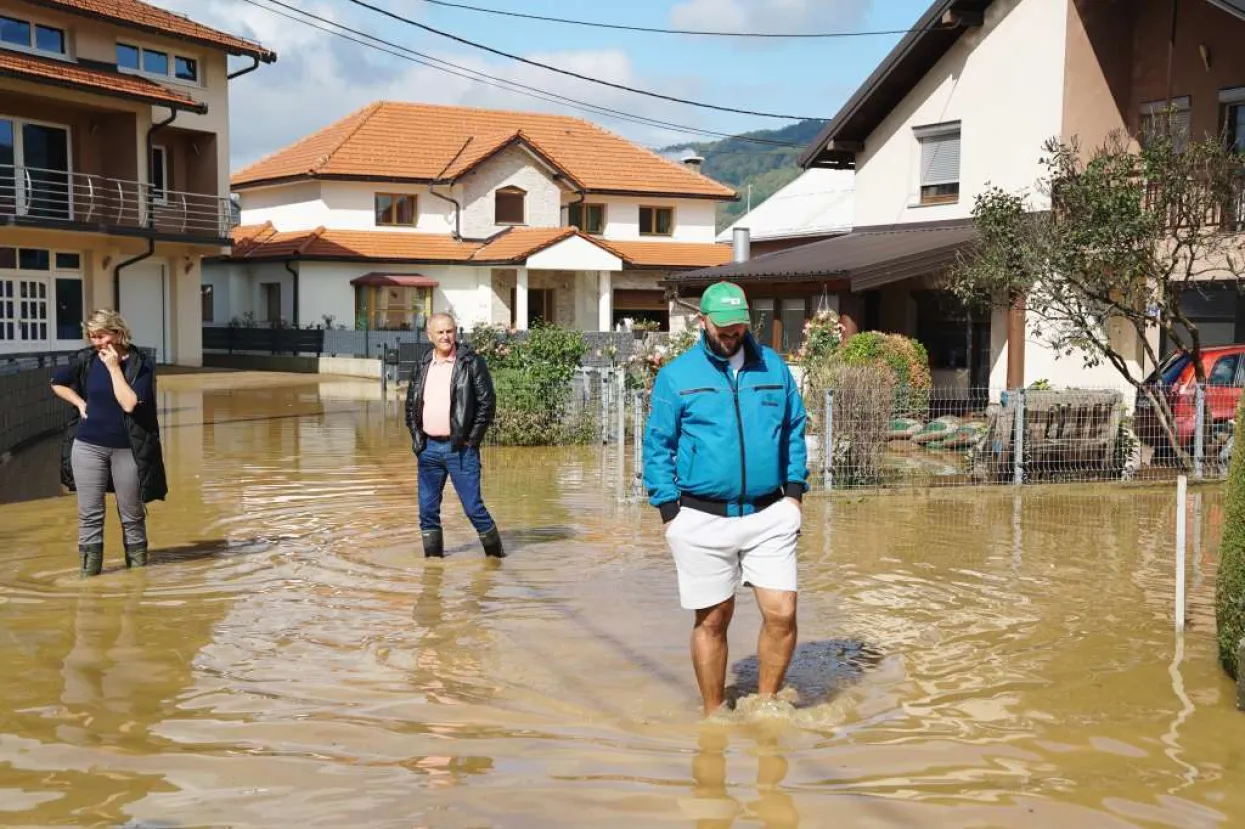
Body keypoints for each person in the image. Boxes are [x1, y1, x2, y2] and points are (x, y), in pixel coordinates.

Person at [642, 281, 808, 717]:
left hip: (769, 512)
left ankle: (767, 705)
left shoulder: (772, 368)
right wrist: (668, 511)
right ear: (703, 322)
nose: (731, 334)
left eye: (738, 326)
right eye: (723, 326)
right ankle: (714, 716)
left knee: (782, 613)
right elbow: (657, 444)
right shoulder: (677, 376)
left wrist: (794, 496)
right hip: (700, 516)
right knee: (713, 619)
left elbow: (794, 430)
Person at [50, 309, 167, 577]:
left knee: (132, 516)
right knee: (89, 516)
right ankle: (89, 584)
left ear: (117, 332)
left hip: (127, 450)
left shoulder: (142, 364)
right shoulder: (86, 360)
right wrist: (80, 403)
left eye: (101, 336)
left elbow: (128, 403)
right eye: (92, 337)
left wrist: (114, 368)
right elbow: (56, 382)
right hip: (87, 447)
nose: (96, 343)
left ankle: (137, 583)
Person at [404, 312, 503, 559]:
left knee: (473, 508)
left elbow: (487, 404)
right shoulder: (423, 364)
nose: (446, 337)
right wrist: (417, 438)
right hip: (428, 449)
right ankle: (434, 567)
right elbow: (410, 404)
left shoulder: (471, 363)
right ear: (430, 336)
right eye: (440, 332)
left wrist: (472, 439)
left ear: (455, 332)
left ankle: (496, 560)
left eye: (449, 331)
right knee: (427, 511)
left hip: (460, 449)